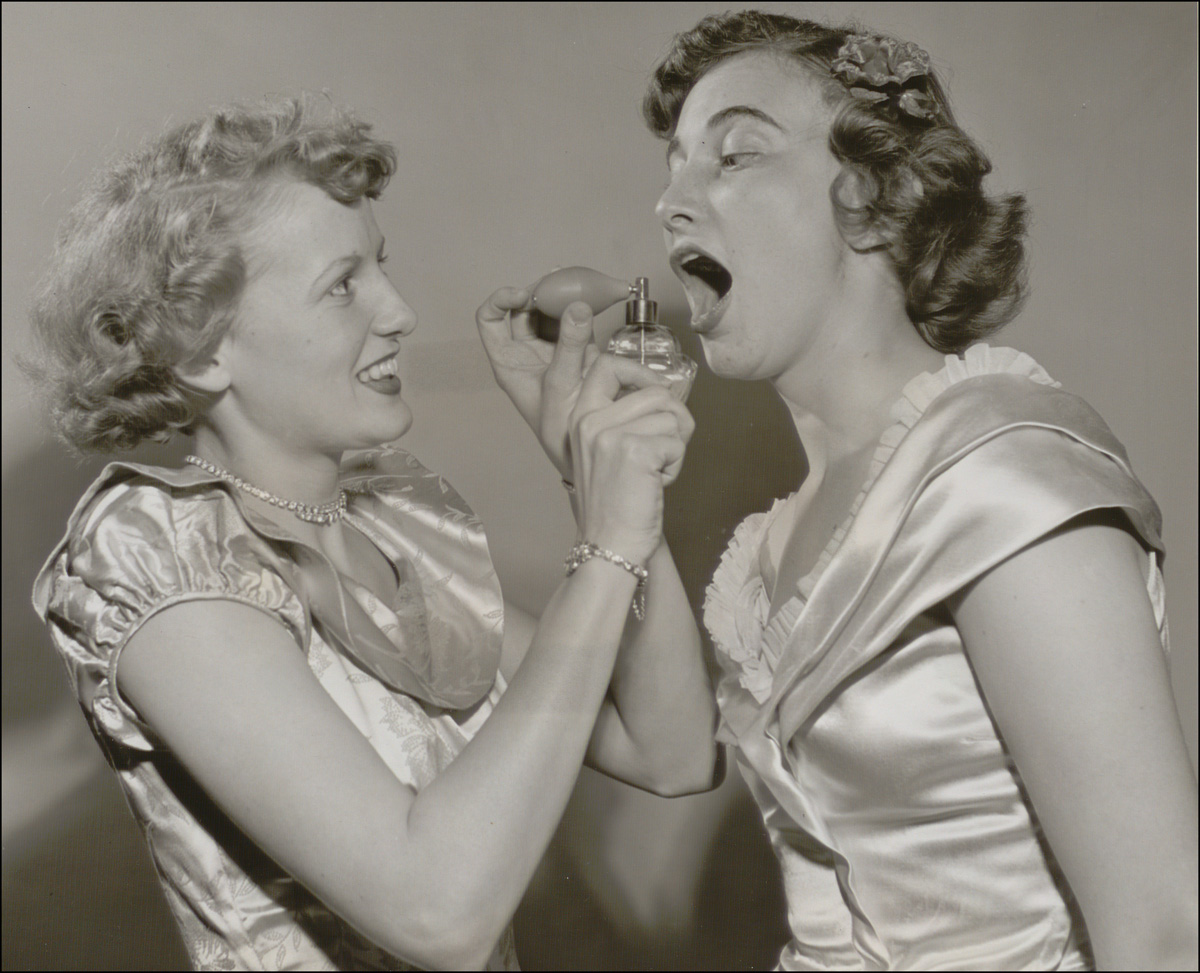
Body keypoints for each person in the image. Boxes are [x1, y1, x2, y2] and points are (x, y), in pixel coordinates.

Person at [479, 11, 1198, 971]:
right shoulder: (773, 541)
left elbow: (1165, 929)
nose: (671, 204)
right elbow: (676, 758)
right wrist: (598, 463)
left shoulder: (999, 473)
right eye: (674, 165)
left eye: (734, 155)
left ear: (871, 197)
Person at [29, 96, 717, 971]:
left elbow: (671, 752)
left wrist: (613, 485)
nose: (399, 312)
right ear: (203, 351)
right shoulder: (154, 551)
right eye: (342, 284)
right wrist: (609, 543)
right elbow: (438, 914)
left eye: (381, 267)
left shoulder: (395, 522)